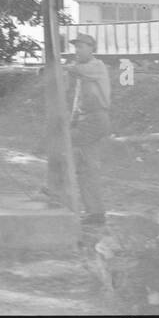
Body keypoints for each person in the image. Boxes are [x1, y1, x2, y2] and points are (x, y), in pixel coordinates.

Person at [63, 35, 111, 226]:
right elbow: (78, 101)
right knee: (87, 169)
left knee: (63, 144)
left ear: (92, 49)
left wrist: (52, 69)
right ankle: (95, 212)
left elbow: (74, 69)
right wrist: (72, 121)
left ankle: (55, 189)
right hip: (87, 119)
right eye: (76, 48)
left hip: (96, 119)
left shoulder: (96, 66)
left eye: (81, 47)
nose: (77, 51)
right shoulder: (82, 75)